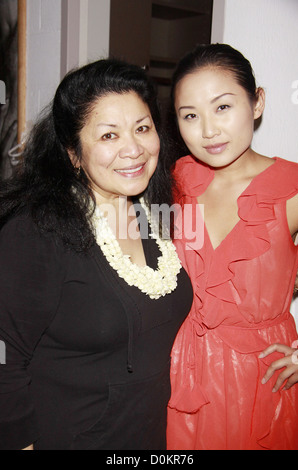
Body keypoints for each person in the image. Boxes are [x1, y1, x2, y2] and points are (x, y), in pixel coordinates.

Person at [0, 58, 193, 450]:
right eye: (109, 136)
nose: (134, 149)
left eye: (142, 128)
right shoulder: (38, 229)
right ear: (72, 153)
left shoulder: (160, 214)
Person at [166, 43, 298, 450]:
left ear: (256, 103)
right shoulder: (177, 181)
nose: (207, 130)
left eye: (222, 107)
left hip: (262, 383)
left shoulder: (292, 188)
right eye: (190, 115)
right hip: (183, 379)